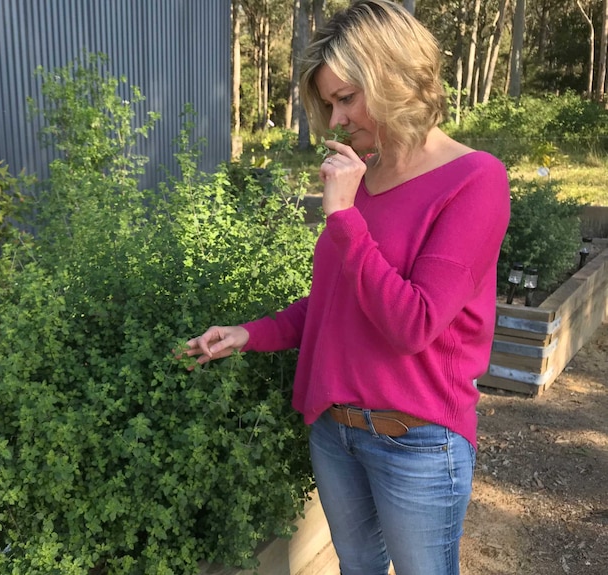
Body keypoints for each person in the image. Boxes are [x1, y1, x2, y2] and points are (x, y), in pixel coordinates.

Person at [181, 1, 511, 574]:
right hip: (337, 433)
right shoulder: (361, 177)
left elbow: (414, 324)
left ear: (394, 78)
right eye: (329, 103)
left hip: (418, 443)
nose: (335, 121)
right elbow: (334, 305)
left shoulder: (475, 179)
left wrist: (343, 218)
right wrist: (249, 333)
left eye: (346, 98)